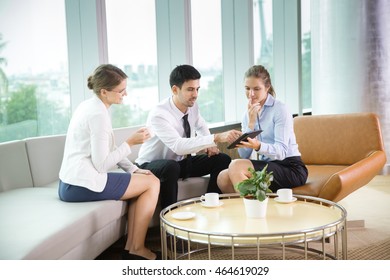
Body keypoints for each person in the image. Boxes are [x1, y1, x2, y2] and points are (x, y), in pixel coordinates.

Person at [58, 64, 160, 260]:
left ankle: (132, 248)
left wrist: (133, 169)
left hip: (70, 182)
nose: (126, 94)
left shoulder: (90, 106)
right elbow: (102, 165)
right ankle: (136, 248)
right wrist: (130, 142)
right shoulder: (98, 115)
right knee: (152, 183)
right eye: (121, 91)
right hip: (80, 184)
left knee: (146, 180)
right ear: (104, 91)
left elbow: (107, 149)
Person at [135, 64, 241, 209]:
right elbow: (178, 146)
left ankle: (211, 206)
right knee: (171, 167)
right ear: (175, 89)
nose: (195, 94)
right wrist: (214, 138)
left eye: (197, 89)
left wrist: (210, 144)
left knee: (222, 159)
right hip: (151, 166)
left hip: (177, 165)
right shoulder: (159, 114)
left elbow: (201, 125)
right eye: (190, 89)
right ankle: (170, 220)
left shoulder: (192, 106)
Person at [217, 65, 308, 194]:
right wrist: (251, 123)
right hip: (268, 167)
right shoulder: (247, 114)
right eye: (247, 88)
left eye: (256, 89)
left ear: (267, 87)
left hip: (290, 167)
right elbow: (244, 155)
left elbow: (281, 152)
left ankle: (253, 210)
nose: (251, 94)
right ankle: (247, 209)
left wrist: (258, 146)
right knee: (223, 177)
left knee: (236, 166)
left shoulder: (280, 109)